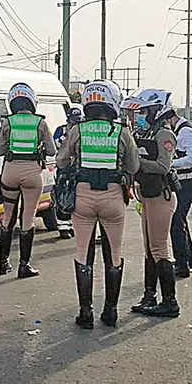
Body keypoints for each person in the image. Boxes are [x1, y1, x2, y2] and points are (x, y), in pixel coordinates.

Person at [57, 80, 138, 329]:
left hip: (83, 197)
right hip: (113, 197)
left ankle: (85, 313)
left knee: (83, 253)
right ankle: (111, 311)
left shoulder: (78, 130)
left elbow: (61, 161)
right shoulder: (122, 131)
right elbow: (133, 166)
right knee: (114, 253)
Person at [127, 89, 181, 318]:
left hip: (161, 195)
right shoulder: (146, 132)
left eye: (144, 111)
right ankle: (149, 296)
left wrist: (137, 163)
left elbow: (163, 166)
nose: (140, 115)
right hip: (147, 194)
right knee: (149, 249)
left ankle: (170, 302)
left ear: (157, 110)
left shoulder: (164, 134)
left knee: (159, 248)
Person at [0, 83, 56, 278]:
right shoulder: (40, 123)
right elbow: (52, 150)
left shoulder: (7, 122)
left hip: (10, 172)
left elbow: (0, 150)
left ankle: (3, 263)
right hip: (32, 174)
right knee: (28, 218)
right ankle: (24, 265)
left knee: (7, 217)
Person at [166, 103, 192, 278]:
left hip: (189, 181)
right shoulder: (182, 129)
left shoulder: (185, 131)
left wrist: (169, 164)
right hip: (186, 181)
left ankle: (182, 265)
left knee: (176, 221)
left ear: (170, 118)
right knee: (180, 219)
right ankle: (190, 259)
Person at [52, 106, 83, 240]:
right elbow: (56, 144)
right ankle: (63, 227)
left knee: (78, 199)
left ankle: (73, 226)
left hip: (78, 169)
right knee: (63, 197)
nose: (76, 123)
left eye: (78, 120)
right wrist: (69, 136)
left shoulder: (83, 130)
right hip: (64, 168)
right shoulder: (61, 130)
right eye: (74, 120)